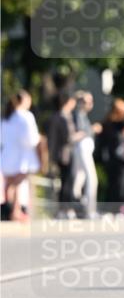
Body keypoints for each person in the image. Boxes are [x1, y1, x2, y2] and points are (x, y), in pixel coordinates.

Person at [1, 90, 41, 221]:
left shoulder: (7, 117)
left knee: (9, 184)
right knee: (18, 184)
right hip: (21, 157)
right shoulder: (26, 116)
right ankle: (15, 211)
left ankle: (7, 210)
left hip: (6, 156)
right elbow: (32, 139)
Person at [47, 91, 77, 210]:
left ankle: (66, 207)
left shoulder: (68, 116)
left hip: (68, 154)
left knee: (68, 181)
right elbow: (57, 139)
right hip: (62, 155)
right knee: (63, 182)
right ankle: (62, 208)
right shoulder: (57, 118)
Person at [72, 91, 98, 218]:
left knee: (79, 178)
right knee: (91, 178)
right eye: (87, 102)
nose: (90, 104)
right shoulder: (78, 114)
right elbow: (80, 133)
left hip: (84, 147)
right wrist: (93, 129)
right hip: (83, 147)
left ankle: (78, 206)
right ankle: (90, 210)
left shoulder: (82, 115)